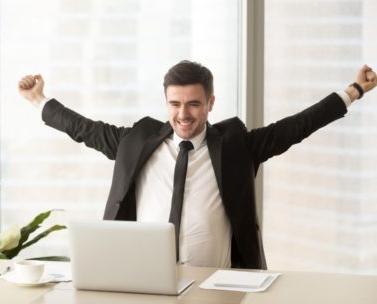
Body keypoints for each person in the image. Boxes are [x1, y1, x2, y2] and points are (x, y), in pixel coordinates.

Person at [19, 60, 377, 270]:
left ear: (210, 103)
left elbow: (296, 127)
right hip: (147, 284)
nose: (183, 114)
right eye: (175, 104)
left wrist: (353, 91)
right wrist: (38, 100)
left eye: (193, 104)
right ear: (166, 102)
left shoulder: (238, 147)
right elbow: (84, 129)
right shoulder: (135, 142)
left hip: (217, 284)